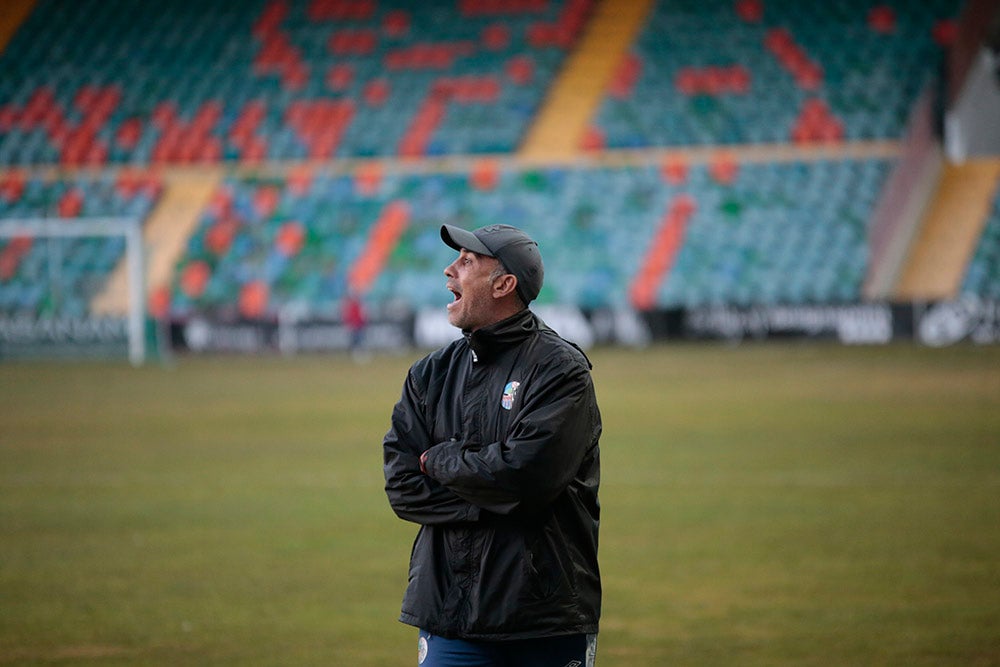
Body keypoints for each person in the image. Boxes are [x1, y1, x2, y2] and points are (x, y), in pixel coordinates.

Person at [383, 224, 602, 667]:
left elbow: (526, 480)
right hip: (450, 618)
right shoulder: (429, 375)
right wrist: (497, 492)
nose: (449, 269)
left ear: (504, 285)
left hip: (543, 618)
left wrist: (443, 460)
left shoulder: (561, 371)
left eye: (466, 262)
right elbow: (403, 485)